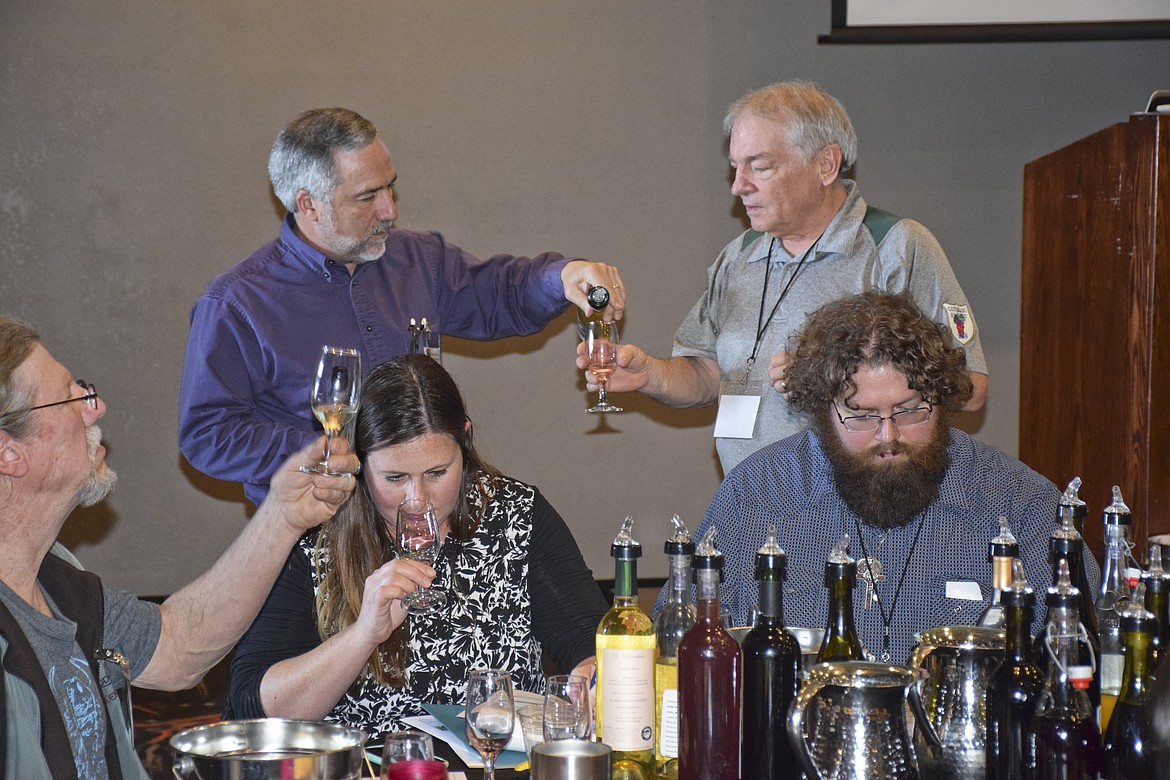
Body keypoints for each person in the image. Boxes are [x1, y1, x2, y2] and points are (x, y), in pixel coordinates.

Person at [180, 107, 627, 505]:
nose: (390, 210)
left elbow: (500, 293)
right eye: (367, 196)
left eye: (390, 188)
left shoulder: (417, 259)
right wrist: (329, 450)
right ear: (308, 204)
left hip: (427, 519)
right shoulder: (237, 303)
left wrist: (565, 275)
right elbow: (208, 435)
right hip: (315, 533)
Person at [0, 316, 357, 779]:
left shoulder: (54, 575)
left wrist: (283, 516)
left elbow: (176, 647)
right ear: (9, 453)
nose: (97, 408)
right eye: (73, 396)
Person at [659, 291, 1091, 664]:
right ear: (823, 410)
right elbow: (676, 643)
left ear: (940, 398)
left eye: (909, 410)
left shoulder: (1020, 503)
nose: (889, 436)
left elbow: (1090, 650)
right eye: (862, 416)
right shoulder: (755, 493)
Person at [582, 81, 988, 475]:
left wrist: (828, 376)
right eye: (735, 168)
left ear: (825, 164)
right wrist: (649, 374)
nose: (738, 186)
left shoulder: (896, 247)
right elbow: (708, 373)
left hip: (866, 512)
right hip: (754, 506)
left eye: (759, 166)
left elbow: (971, 389)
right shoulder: (740, 255)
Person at [226, 354, 606, 734]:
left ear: (466, 441)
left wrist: (593, 673)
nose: (417, 498)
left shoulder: (515, 514)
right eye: (394, 478)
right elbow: (252, 709)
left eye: (437, 473)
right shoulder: (316, 531)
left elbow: (588, 640)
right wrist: (362, 636)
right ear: (359, 462)